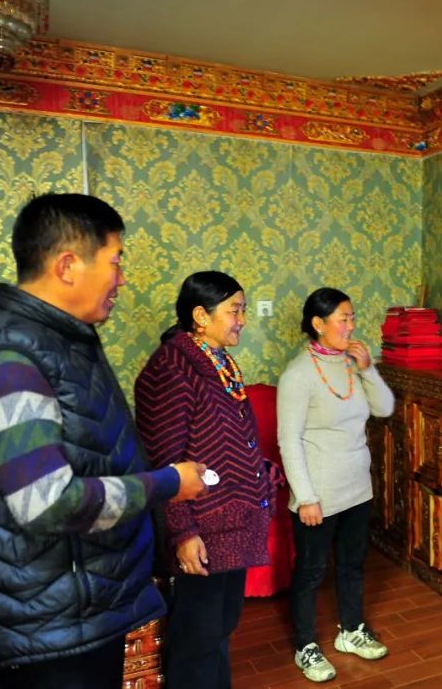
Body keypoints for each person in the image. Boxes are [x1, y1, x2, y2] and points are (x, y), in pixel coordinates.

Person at [0, 193, 206, 689]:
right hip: (44, 632)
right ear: (67, 265)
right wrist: (169, 483)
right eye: (115, 262)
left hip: (74, 614)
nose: (122, 279)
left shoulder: (59, 341)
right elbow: (48, 502)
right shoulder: (7, 356)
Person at [135, 271, 278, 689]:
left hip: (233, 520)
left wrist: (259, 470)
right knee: (196, 636)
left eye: (243, 310)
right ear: (201, 315)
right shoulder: (171, 368)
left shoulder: (220, 362)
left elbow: (224, 438)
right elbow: (166, 460)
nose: (242, 320)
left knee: (221, 625)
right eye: (234, 310)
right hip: (202, 526)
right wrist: (183, 533)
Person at [277, 287, 395, 683]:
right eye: (343, 319)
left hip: (357, 488)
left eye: (352, 317)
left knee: (352, 564)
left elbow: (385, 408)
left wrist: (368, 369)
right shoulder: (297, 374)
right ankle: (306, 646)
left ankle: (351, 630)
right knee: (311, 572)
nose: (351, 326)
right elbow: (288, 440)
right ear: (318, 323)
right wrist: (306, 498)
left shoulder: (351, 364)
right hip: (318, 495)